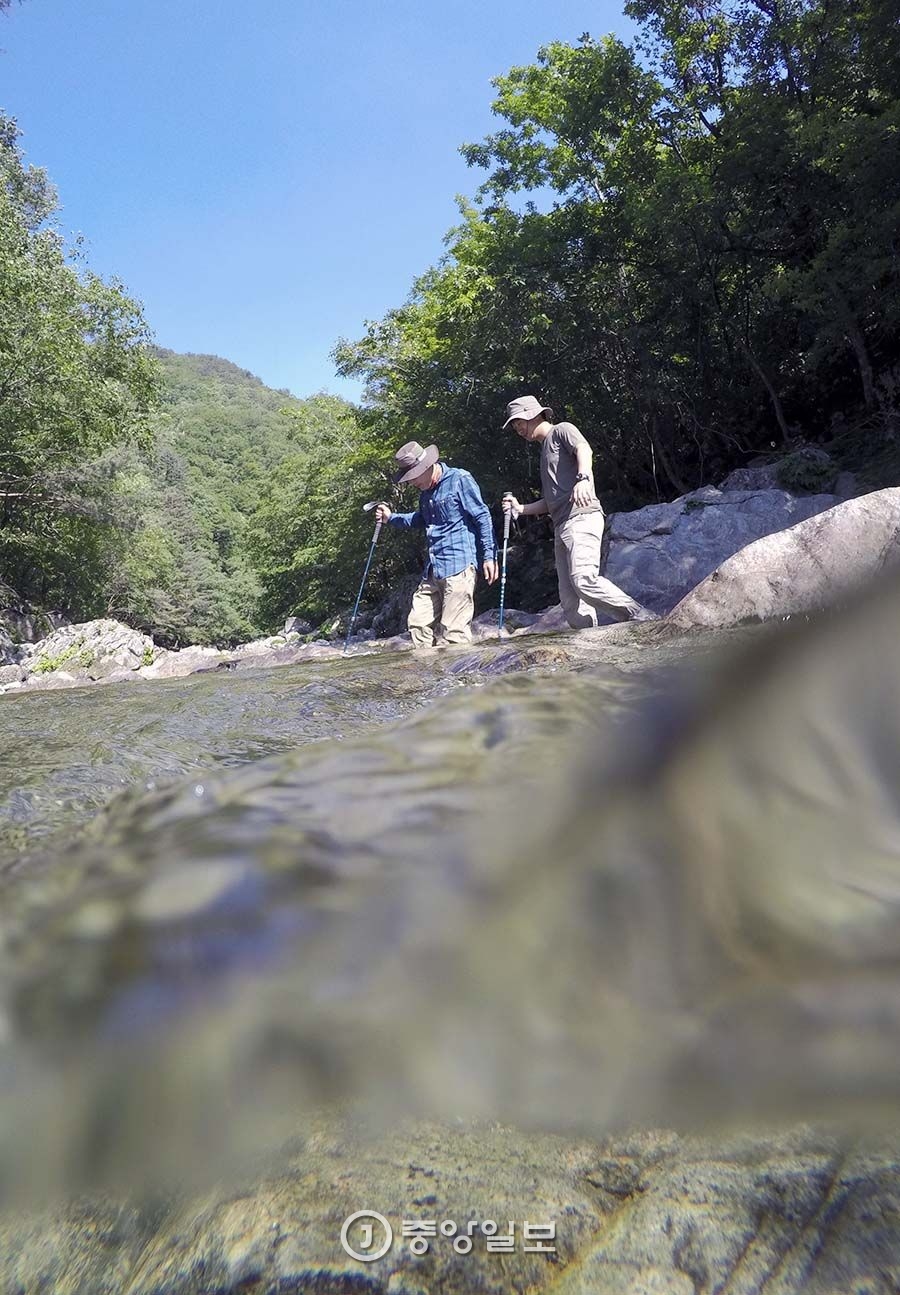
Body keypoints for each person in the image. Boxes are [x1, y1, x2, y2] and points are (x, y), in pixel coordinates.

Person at [501, 395, 657, 628]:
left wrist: (583, 478)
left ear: (532, 414)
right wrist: (520, 509)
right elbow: (550, 501)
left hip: (581, 517)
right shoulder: (544, 450)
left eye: (518, 423)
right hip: (561, 525)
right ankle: (590, 643)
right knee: (569, 600)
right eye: (514, 426)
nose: (517, 429)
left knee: (583, 579)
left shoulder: (562, 430)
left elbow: (584, 448)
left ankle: (640, 616)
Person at [376, 441, 498, 649]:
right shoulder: (425, 493)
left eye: (412, 477)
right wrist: (391, 518)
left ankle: (462, 680)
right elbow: (421, 520)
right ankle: (431, 678)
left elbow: (482, 516)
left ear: (426, 467)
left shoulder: (460, 479)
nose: (411, 483)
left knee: (453, 631)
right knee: (417, 623)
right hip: (434, 569)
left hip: (459, 566)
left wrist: (489, 555)